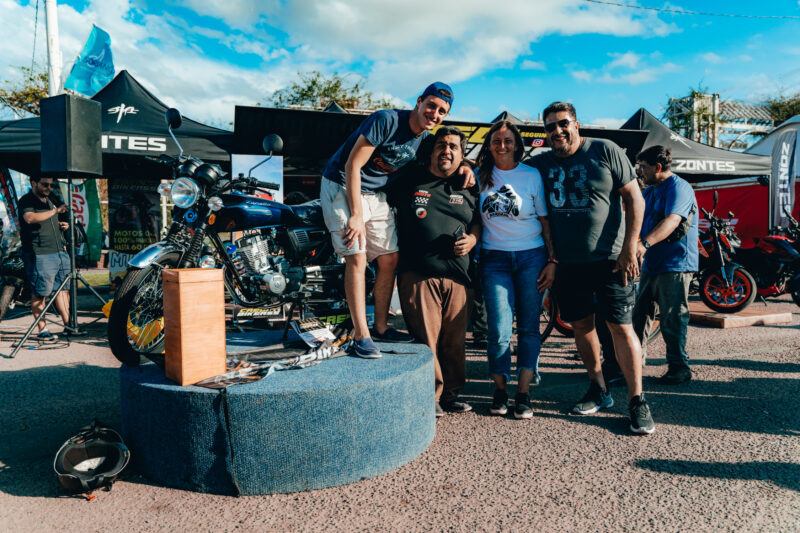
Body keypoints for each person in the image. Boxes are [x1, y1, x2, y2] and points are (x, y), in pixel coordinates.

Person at [527, 102, 655, 435]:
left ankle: (637, 401)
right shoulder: (540, 163)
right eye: (550, 127)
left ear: (576, 124)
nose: (557, 131)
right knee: (581, 327)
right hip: (568, 264)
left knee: (621, 327)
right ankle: (598, 389)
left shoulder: (604, 150)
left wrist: (630, 249)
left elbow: (635, 199)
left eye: (563, 123)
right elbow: (504, 169)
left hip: (611, 260)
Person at [320, 82, 470, 359]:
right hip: (341, 184)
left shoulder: (425, 140)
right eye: (431, 106)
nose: (435, 114)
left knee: (389, 258)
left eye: (442, 111)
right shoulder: (386, 120)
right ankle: (361, 335)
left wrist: (466, 166)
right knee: (357, 255)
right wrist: (356, 215)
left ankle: (380, 326)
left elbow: (447, 155)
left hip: (375, 193)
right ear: (419, 101)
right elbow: (353, 165)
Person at [392, 126, 480, 416]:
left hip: (459, 277)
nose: (447, 151)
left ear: (462, 154)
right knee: (426, 341)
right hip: (419, 273)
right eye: (441, 145)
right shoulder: (410, 177)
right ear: (431, 150)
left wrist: (473, 239)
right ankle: (430, 396)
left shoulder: (468, 184)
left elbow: (477, 220)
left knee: (454, 342)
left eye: (454, 147)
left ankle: (451, 395)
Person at [476, 120, 555, 420]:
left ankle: (523, 393)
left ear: (517, 145)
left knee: (528, 328)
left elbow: (545, 222)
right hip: (494, 258)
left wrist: (552, 261)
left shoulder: (531, 175)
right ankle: (500, 391)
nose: (502, 145)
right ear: (489, 145)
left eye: (508, 140)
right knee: (498, 329)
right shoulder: (478, 175)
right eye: (497, 140)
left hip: (531, 257)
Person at [633, 145, 698, 384]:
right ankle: (633, 362)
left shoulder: (679, 187)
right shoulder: (650, 191)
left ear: (658, 167)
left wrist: (643, 245)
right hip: (652, 263)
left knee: (672, 318)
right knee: (639, 316)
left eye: (643, 167)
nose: (640, 171)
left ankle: (679, 367)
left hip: (676, 263)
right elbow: (636, 220)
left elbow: (672, 220)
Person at [18, 176, 71, 341]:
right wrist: (55, 211)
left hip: (60, 251)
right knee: (40, 292)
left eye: (51, 185)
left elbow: (51, 219)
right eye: (45, 184)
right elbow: (29, 218)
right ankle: (42, 330)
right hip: (40, 252)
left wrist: (63, 225)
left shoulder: (51, 199)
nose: (49, 188)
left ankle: (69, 325)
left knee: (63, 290)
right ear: (33, 183)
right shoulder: (27, 200)